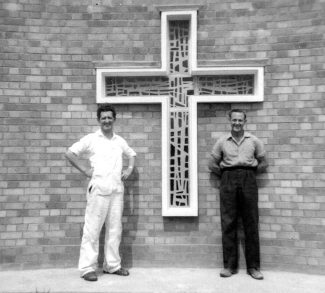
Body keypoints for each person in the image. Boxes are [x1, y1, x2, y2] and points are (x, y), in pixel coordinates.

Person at [65, 104, 136, 282]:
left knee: (115, 230)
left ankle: (112, 265)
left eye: (109, 118)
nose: (106, 121)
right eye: (103, 118)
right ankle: (87, 268)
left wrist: (129, 168)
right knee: (92, 230)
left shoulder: (119, 141)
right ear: (99, 120)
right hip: (98, 190)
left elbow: (131, 154)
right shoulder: (92, 139)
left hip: (116, 191)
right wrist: (85, 171)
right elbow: (70, 153)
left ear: (114, 119)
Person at [208, 109, 268, 280]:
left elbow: (265, 162)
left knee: (251, 222)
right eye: (234, 120)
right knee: (228, 222)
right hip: (228, 179)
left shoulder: (254, 141)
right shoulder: (222, 141)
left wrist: (251, 171)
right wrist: (226, 174)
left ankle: (253, 267)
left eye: (240, 120)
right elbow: (212, 163)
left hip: (249, 178)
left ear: (245, 121)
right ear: (230, 121)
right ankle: (229, 266)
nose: (237, 123)